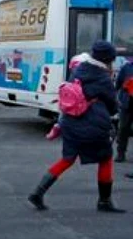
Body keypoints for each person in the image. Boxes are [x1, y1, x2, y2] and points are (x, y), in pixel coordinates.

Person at [28, 41, 125, 213]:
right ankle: (104, 201)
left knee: (68, 158)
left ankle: (38, 192)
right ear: (108, 59)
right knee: (105, 159)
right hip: (93, 125)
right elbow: (112, 106)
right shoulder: (103, 77)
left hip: (71, 123)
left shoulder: (78, 70)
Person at [46, 53, 90, 140]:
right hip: (87, 111)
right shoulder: (94, 75)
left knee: (65, 110)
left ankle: (58, 126)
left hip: (73, 108)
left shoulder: (74, 74)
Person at [114, 58, 133, 162]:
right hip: (127, 103)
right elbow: (118, 83)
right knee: (123, 129)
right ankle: (121, 153)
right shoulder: (127, 67)